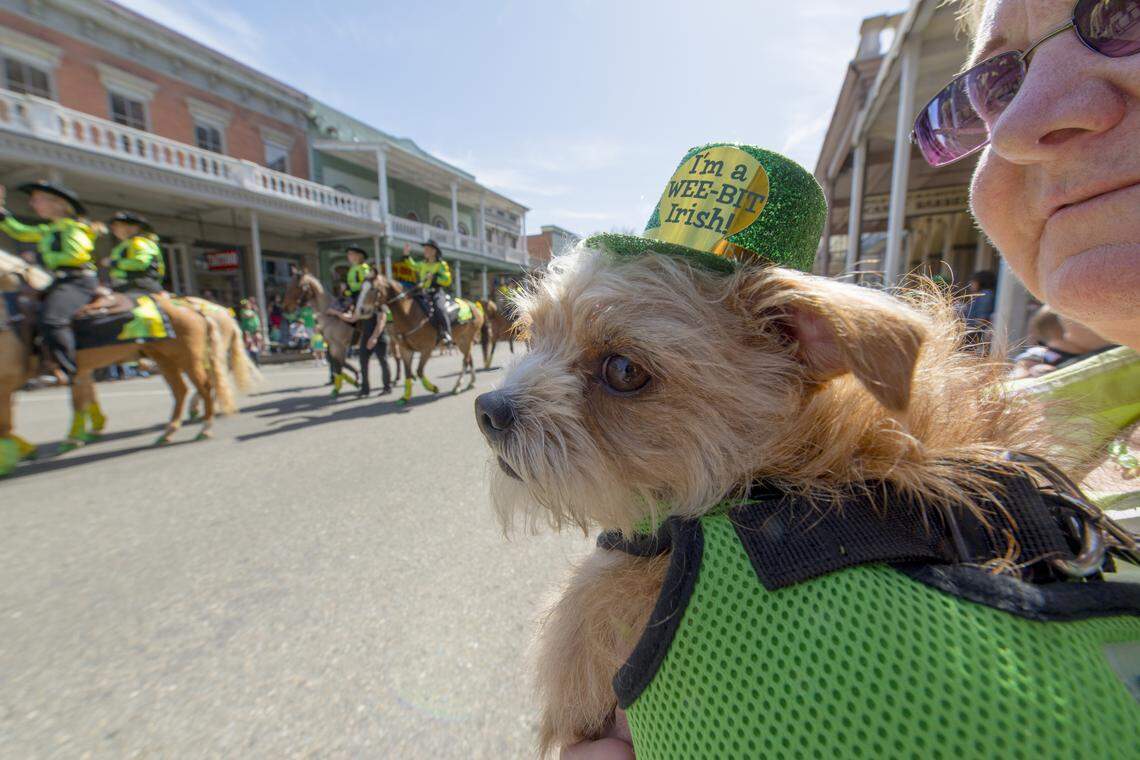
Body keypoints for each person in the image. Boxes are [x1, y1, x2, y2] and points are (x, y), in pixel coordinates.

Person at [0, 181, 99, 378]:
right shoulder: (50, 229)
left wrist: (40, 258)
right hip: (60, 282)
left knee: (53, 319)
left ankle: (68, 370)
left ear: (58, 203)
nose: (32, 204)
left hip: (77, 281)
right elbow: (20, 231)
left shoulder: (74, 227)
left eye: (37, 200)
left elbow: (76, 257)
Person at [105, 211, 165, 293]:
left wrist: (114, 263)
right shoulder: (126, 243)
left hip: (139, 287)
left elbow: (141, 262)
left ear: (133, 227)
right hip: (127, 285)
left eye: (118, 225)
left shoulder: (139, 242)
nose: (113, 228)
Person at [414, 239, 453, 346]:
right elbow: (412, 265)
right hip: (423, 292)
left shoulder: (441, 264)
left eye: (427, 249)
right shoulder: (422, 264)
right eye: (425, 249)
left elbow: (447, 280)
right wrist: (406, 256)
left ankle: (447, 333)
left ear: (434, 251)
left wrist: (434, 278)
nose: (425, 251)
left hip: (436, 292)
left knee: (439, 308)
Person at [358, 305, 392, 397]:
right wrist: (336, 313)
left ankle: (387, 387)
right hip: (365, 337)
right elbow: (354, 319)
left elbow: (381, 322)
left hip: (379, 337)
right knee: (362, 361)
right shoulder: (363, 306)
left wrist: (374, 337)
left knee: (383, 362)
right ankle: (365, 389)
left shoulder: (381, 307)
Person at [339, 245, 372, 320]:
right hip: (351, 294)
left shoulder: (364, 267)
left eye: (350, 254)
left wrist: (348, 289)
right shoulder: (352, 268)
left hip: (360, 294)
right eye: (348, 254)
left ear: (358, 255)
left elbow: (366, 282)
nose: (348, 256)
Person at [238, 297, 263, 364]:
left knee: (257, 343)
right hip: (247, 331)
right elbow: (248, 315)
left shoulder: (252, 311)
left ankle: (256, 359)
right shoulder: (243, 311)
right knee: (249, 344)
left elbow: (256, 320)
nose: (249, 305)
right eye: (248, 304)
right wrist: (255, 311)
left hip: (255, 330)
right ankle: (249, 360)